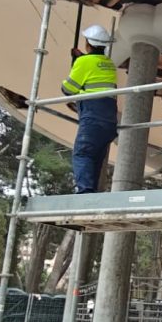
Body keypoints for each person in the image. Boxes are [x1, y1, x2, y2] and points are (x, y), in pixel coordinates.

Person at [62, 24, 119, 194]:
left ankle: (86, 193)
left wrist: (77, 63)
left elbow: (67, 90)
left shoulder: (84, 62)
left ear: (88, 43)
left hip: (92, 115)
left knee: (82, 154)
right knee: (95, 157)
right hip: (109, 119)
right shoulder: (109, 63)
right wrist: (80, 59)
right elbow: (94, 72)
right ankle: (90, 192)